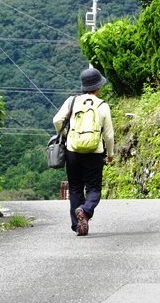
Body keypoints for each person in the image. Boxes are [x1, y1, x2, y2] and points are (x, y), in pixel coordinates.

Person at [53, 67, 114, 236]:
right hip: (95, 152)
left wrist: (67, 134)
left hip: (73, 150)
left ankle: (77, 225)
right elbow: (108, 135)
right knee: (94, 189)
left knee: (75, 188)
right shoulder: (102, 106)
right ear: (98, 86)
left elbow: (57, 120)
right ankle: (85, 211)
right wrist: (110, 154)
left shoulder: (72, 101)